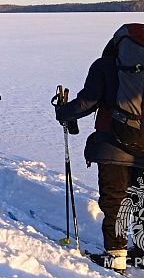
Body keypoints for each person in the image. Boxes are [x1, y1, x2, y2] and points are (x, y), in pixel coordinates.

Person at [57, 34, 144, 274]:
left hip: (112, 144)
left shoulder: (105, 65)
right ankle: (141, 251)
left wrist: (64, 112)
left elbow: (88, 101)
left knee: (114, 198)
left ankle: (116, 255)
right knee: (140, 198)